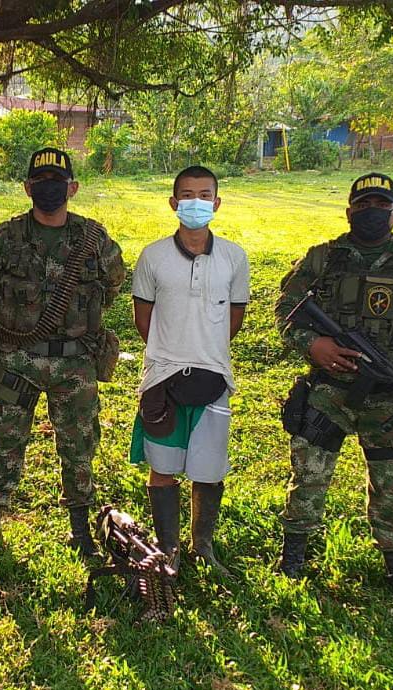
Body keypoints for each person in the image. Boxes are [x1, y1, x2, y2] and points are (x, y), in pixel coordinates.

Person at [274, 173, 393, 602]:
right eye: (362, 206)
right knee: (308, 476)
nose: (371, 213)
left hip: (391, 400)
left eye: (380, 205)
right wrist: (313, 344)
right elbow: (286, 312)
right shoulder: (322, 259)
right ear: (349, 212)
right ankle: (293, 558)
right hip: (330, 390)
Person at [0, 147, 125, 555]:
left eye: (57, 184)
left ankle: (80, 527)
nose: (49, 191)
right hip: (18, 358)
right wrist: (15, 322)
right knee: (6, 439)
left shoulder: (93, 239)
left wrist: (78, 320)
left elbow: (112, 284)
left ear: (72, 187)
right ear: (27, 188)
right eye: (41, 184)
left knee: (78, 445)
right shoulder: (7, 238)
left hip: (75, 362)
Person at [129, 166, 249, 577]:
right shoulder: (153, 256)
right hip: (163, 377)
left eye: (204, 195)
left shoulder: (234, 257)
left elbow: (235, 319)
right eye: (186, 195)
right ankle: (167, 550)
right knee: (162, 468)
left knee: (209, 470)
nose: (195, 202)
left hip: (214, 377)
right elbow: (143, 319)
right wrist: (174, 350)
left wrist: (204, 350)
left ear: (216, 203)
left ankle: (203, 547)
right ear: (173, 203)